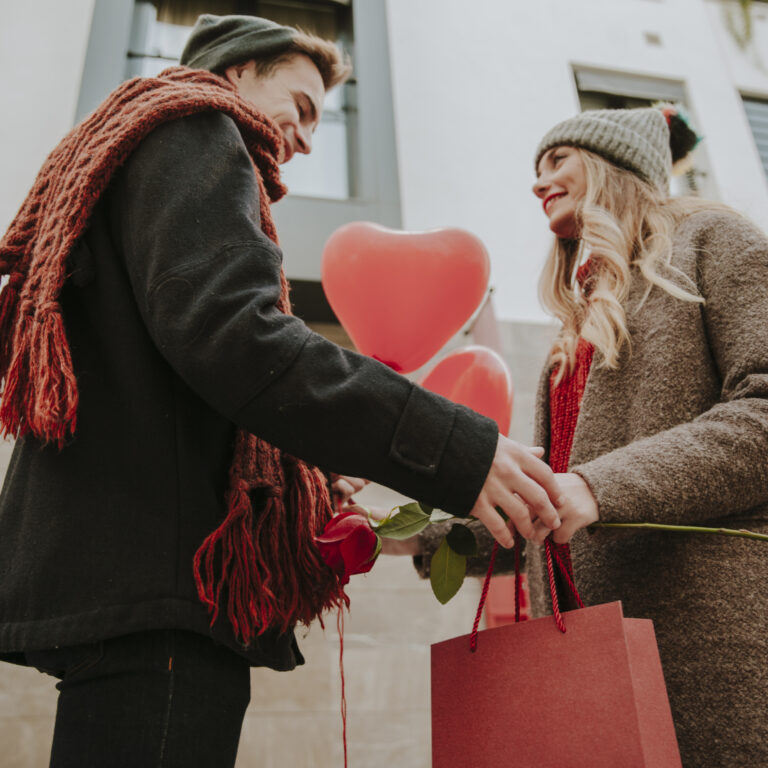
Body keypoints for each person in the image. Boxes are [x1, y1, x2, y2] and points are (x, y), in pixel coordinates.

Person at [0, 13, 563, 767]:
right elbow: (240, 339)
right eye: (299, 108)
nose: (304, 138)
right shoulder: (196, 129)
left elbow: (192, 371)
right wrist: (460, 450)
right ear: (237, 73)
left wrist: (313, 472)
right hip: (169, 594)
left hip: (134, 582)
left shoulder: (139, 147)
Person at [525, 106, 768, 767]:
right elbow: (553, 492)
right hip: (589, 652)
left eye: (556, 162)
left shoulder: (715, 240)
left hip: (707, 646)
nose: (538, 183)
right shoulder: (575, 319)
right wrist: (412, 530)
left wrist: (600, 487)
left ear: (611, 165)